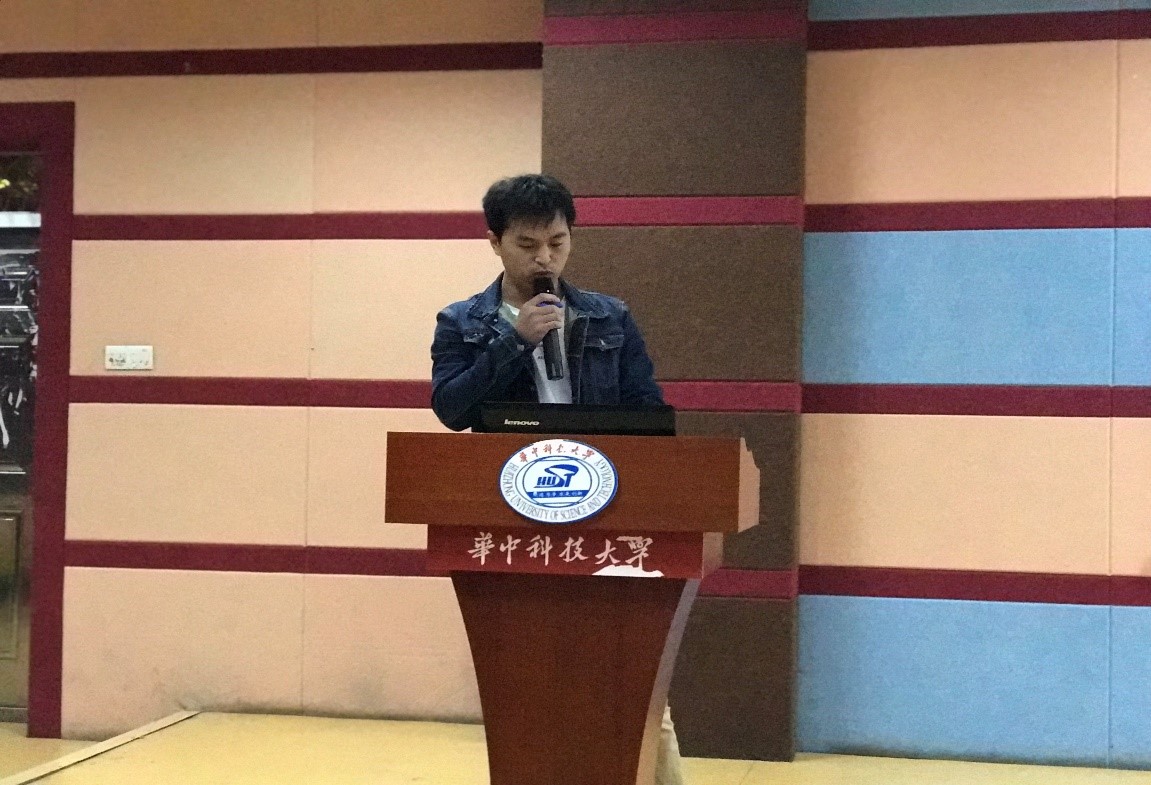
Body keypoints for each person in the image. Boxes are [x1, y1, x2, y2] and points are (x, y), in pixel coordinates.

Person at [430, 173, 685, 785]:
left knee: (630, 676)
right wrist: (512, 343)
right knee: (530, 678)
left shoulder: (609, 316)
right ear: (495, 242)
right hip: (512, 515)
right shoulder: (462, 322)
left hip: (604, 510)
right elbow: (451, 410)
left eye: (557, 242)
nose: (544, 258)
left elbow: (649, 413)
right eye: (527, 245)